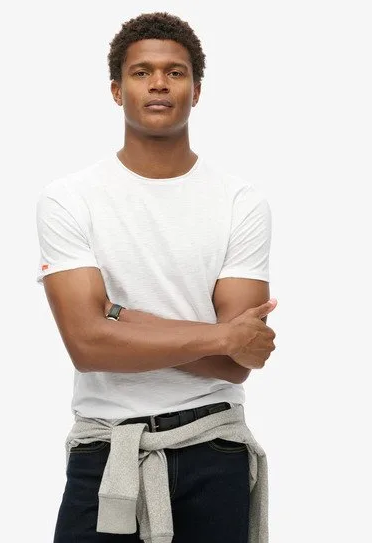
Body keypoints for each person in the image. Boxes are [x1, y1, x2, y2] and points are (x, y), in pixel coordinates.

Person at [36, 11, 277, 543]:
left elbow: (237, 364)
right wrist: (221, 335)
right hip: (107, 452)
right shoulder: (70, 198)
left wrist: (120, 317)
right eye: (142, 72)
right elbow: (87, 345)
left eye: (176, 72)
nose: (159, 84)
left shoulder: (240, 202)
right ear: (117, 91)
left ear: (197, 90)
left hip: (214, 449)